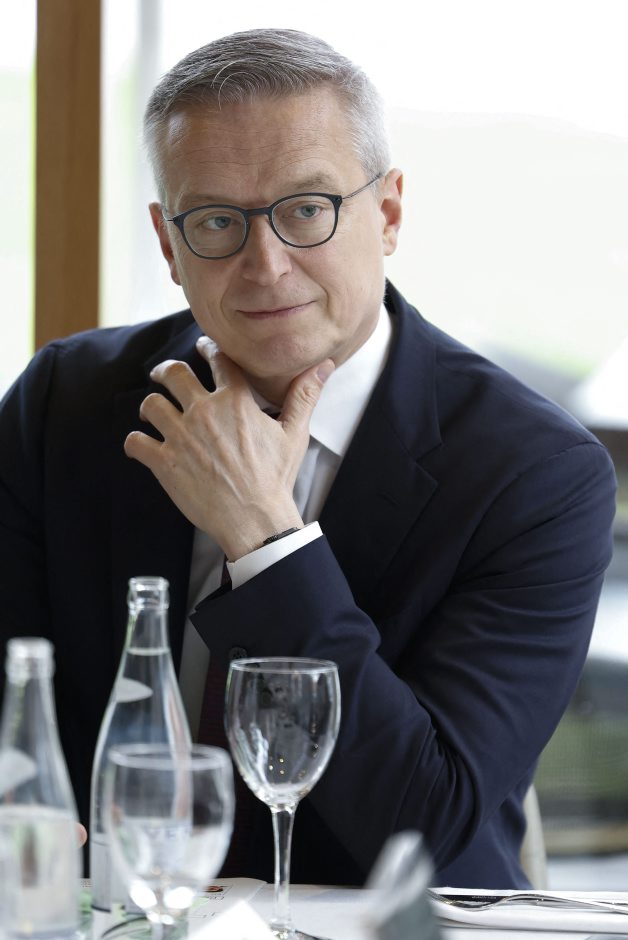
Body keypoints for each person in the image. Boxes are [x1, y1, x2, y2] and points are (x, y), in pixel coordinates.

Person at [0, 28, 616, 889]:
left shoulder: (538, 475)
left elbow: (430, 830)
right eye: (217, 221)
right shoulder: (64, 402)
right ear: (169, 246)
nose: (266, 265)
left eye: (306, 209)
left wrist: (265, 537)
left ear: (388, 214)